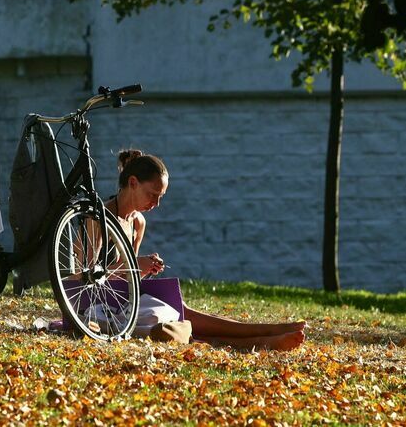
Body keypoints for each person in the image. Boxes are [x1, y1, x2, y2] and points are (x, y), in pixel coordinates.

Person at [104, 149, 306, 351]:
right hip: (101, 305)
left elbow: (129, 280)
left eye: (161, 197)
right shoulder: (99, 218)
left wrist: (144, 268)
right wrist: (135, 265)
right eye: (152, 195)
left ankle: (264, 337)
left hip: (126, 299)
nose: (156, 204)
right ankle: (265, 335)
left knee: (183, 312)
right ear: (133, 183)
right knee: (183, 315)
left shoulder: (138, 222)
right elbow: (86, 278)